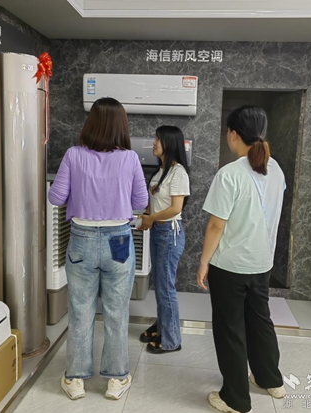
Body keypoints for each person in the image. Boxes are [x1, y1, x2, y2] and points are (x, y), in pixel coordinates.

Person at [48, 97, 148, 401]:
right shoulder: (130, 158)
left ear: (90, 124)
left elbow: (56, 198)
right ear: (122, 126)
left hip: (82, 239)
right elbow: (141, 202)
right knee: (117, 312)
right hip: (119, 240)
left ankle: (75, 379)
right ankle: (116, 380)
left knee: (80, 310)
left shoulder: (73, 155)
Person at [197, 106, 287, 413]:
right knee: (260, 321)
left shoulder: (229, 174)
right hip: (262, 262)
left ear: (233, 134)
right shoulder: (276, 170)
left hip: (230, 266)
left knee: (230, 329)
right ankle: (269, 379)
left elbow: (216, 226)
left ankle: (234, 398)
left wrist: (204, 262)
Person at [138, 125, 190, 354]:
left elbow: (176, 208)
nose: (154, 142)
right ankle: (162, 326)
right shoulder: (160, 172)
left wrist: (150, 219)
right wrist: (145, 217)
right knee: (159, 285)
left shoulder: (179, 173)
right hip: (159, 231)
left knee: (165, 287)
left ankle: (171, 340)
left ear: (169, 143)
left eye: (158, 139)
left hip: (170, 232)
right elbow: (154, 204)